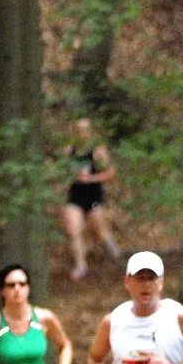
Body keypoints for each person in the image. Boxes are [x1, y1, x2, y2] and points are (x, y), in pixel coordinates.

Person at [63, 117, 121, 281]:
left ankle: (110, 245)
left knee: (99, 231)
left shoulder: (97, 151)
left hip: (93, 194)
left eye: (85, 131)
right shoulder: (69, 150)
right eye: (78, 131)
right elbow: (64, 170)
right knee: (73, 229)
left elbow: (110, 173)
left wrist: (91, 178)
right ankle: (81, 265)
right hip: (75, 194)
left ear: (90, 133)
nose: (82, 134)